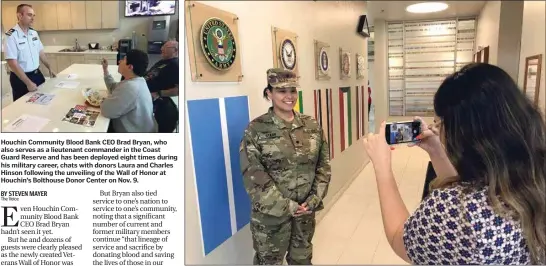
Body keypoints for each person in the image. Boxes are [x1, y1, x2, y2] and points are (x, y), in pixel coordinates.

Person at [363, 63, 545, 265]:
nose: (438, 130)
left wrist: (382, 168)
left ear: (464, 134)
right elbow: (466, 188)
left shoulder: (457, 211)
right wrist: (436, 152)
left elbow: (401, 239)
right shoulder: (533, 175)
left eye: (441, 123)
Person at [239, 68, 332, 265]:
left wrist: (315, 199)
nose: (289, 96)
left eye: (292, 90)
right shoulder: (256, 129)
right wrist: (287, 206)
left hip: (305, 214)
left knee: (302, 260)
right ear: (269, 93)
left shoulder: (312, 126)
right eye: (281, 91)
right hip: (270, 218)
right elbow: (253, 175)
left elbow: (323, 166)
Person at [3, 4, 56, 102]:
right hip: (21, 79)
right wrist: (28, 83)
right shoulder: (11, 35)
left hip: (37, 75)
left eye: (33, 15)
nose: (33, 18)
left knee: (44, 102)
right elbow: (12, 63)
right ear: (20, 16)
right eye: (29, 15)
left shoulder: (34, 33)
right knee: (23, 107)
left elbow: (41, 52)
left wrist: (49, 67)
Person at [101, 49, 157, 133]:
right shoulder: (137, 80)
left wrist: (102, 101)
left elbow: (106, 110)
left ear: (130, 67)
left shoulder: (131, 87)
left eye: (123, 59)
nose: (119, 61)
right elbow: (113, 88)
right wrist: (105, 70)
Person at [144, 40, 179, 132]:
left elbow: (178, 90)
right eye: (163, 46)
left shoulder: (176, 65)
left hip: (153, 99)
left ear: (175, 50)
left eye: (166, 48)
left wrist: (158, 93)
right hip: (142, 90)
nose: (161, 49)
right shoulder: (163, 61)